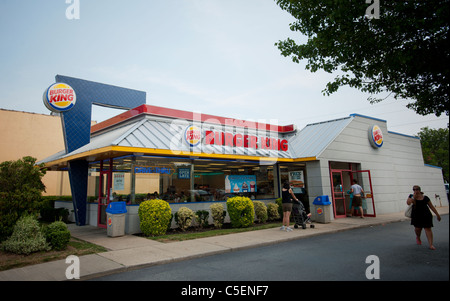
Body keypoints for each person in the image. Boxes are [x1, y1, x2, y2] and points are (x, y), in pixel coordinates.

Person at [407, 185, 441, 250]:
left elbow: (431, 206)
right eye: (414, 190)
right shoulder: (411, 196)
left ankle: (431, 245)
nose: (415, 191)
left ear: (419, 190)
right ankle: (418, 237)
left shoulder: (425, 198)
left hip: (426, 215)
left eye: (416, 189)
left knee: (428, 229)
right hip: (416, 216)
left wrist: (437, 214)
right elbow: (408, 203)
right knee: (418, 229)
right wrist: (413, 197)